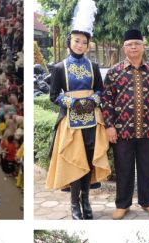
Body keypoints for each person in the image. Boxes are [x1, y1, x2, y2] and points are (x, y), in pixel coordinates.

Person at [45, 0, 110, 220]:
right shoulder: (59, 67)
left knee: (89, 158)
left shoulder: (93, 67)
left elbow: (101, 90)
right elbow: (54, 95)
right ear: (69, 43)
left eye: (84, 42)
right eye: (76, 41)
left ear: (88, 44)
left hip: (92, 118)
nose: (80, 45)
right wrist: (72, 102)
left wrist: (93, 99)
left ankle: (86, 200)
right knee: (76, 160)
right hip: (70, 121)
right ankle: (74, 204)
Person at [101, 29, 149, 219]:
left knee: (147, 168)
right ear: (124, 47)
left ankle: (147, 202)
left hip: (148, 130)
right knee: (124, 169)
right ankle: (123, 204)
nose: (133, 47)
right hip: (122, 131)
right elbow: (106, 101)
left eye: (137, 44)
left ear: (143, 46)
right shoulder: (114, 73)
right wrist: (109, 125)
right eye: (130, 44)